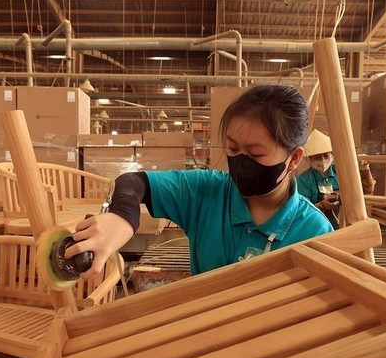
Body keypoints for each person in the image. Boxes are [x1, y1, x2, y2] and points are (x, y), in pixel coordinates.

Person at [65, 85, 334, 278]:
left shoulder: (314, 232)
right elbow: (135, 182)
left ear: (294, 158)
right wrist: (122, 217)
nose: (241, 162)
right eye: (232, 149)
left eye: (256, 154)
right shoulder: (207, 192)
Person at [297, 129, 376, 229]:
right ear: (309, 159)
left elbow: (366, 190)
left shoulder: (341, 172)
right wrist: (322, 205)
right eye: (317, 157)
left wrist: (364, 169)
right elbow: (302, 210)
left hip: (343, 224)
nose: (322, 160)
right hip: (316, 227)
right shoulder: (304, 180)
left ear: (332, 155)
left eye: (326, 156)